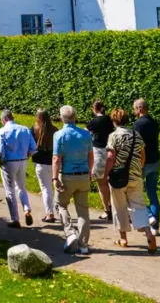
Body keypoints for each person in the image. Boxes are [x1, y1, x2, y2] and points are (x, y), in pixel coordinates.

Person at [105, 108, 157, 253]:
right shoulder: (136, 135)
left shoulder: (113, 136)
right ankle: (149, 234)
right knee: (139, 206)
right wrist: (138, 169)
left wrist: (106, 172)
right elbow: (142, 155)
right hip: (135, 176)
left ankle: (123, 238)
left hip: (118, 178)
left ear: (114, 120)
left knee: (119, 207)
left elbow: (110, 157)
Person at [52, 104, 94, 254]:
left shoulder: (59, 135)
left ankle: (70, 234)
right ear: (75, 117)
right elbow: (91, 155)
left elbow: (57, 158)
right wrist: (90, 172)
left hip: (67, 176)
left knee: (60, 205)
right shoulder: (86, 134)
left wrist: (55, 178)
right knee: (83, 211)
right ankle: (83, 245)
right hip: (83, 175)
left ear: (62, 118)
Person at [0, 109, 37, 228]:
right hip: (22, 161)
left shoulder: (1, 132)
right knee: (21, 187)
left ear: (4, 120)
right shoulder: (25, 129)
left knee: (9, 190)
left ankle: (15, 218)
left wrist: (0, 162)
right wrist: (25, 157)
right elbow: (33, 148)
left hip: (9, 162)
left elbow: (0, 151)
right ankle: (27, 209)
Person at [133, 98, 160, 235]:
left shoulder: (138, 124)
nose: (134, 112)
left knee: (134, 193)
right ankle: (155, 227)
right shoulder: (154, 122)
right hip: (155, 161)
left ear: (139, 109)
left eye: (135, 109)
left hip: (143, 162)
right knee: (152, 194)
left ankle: (149, 217)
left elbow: (137, 145)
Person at [86, 100, 115, 221]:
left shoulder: (94, 122)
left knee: (101, 183)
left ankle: (107, 210)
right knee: (112, 182)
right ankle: (115, 207)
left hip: (98, 152)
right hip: (110, 150)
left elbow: (86, 134)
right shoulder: (110, 120)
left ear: (94, 109)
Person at [31, 108, 58, 222]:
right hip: (53, 161)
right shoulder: (55, 130)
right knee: (54, 187)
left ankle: (49, 213)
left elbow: (31, 146)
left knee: (45, 188)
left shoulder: (34, 129)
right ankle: (58, 210)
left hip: (40, 162)